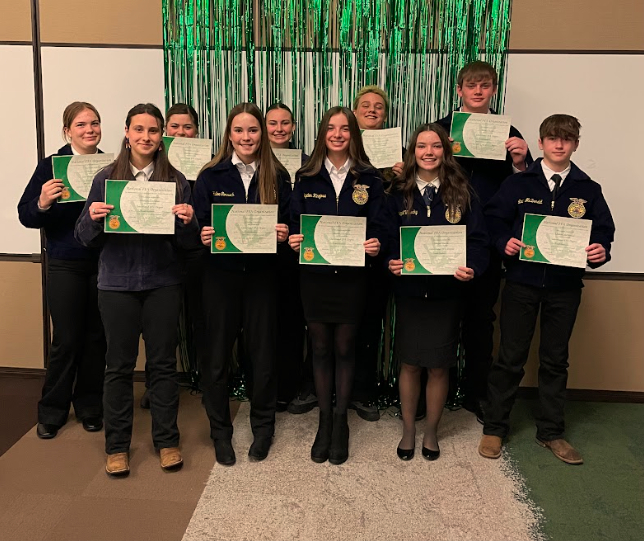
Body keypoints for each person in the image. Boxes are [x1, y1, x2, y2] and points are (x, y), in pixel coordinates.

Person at [479, 114, 615, 465]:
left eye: (567, 139)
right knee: (510, 357)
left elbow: (602, 231)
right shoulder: (519, 183)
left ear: (575, 145)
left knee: (555, 360)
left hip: (564, 287)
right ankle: (495, 427)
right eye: (553, 138)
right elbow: (493, 219)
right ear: (540, 143)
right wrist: (503, 241)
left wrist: (600, 250)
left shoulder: (588, 189)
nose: (559, 144)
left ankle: (551, 431)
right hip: (522, 283)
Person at [75, 103, 198, 476]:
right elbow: (82, 237)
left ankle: (167, 442)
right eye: (139, 130)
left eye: (154, 131)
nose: (146, 137)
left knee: (162, 366)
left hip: (162, 284)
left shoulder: (176, 181)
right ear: (127, 133)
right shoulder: (104, 180)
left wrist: (188, 223)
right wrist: (95, 220)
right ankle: (117, 447)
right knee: (118, 367)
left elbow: (190, 245)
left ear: (162, 138)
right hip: (116, 285)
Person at [193, 102, 291, 466]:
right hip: (220, 278)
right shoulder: (210, 176)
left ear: (261, 135)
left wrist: (285, 232)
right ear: (229, 135)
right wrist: (201, 233)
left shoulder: (278, 176)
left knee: (263, 356)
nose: (246, 137)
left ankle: (263, 429)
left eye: (253, 130)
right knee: (217, 357)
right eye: (239, 130)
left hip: (263, 278)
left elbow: (292, 223)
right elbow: (196, 225)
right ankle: (220, 432)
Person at [435, 60, 532, 422]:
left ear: (493, 90)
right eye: (471, 86)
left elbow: (528, 187)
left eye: (485, 85)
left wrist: (521, 162)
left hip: (488, 241)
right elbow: (417, 172)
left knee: (480, 321)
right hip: (440, 237)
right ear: (459, 90)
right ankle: (437, 392)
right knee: (440, 317)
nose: (478, 91)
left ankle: (476, 393)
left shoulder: (507, 132)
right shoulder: (440, 130)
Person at [385, 123, 489, 460]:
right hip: (411, 291)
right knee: (411, 363)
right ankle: (409, 430)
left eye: (436, 146)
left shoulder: (463, 192)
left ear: (446, 151)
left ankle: (431, 431)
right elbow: (385, 237)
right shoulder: (397, 191)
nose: (428, 152)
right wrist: (390, 260)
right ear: (412, 152)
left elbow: (479, 242)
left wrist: (472, 267)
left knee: (440, 366)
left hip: (448, 293)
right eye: (421, 146)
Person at [289, 106, 384, 465]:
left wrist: (375, 243)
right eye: (331, 128)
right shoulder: (307, 175)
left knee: (345, 346)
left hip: (352, 277)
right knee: (320, 346)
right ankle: (323, 420)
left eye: (345, 128)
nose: (338, 134)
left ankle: (341, 420)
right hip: (314, 277)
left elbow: (380, 225)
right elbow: (294, 220)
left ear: (353, 134)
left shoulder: (370, 178)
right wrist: (295, 239)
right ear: (322, 133)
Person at [18, 101, 106, 440]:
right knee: (66, 339)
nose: (90, 130)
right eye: (82, 125)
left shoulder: (110, 165)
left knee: (97, 338)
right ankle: (52, 410)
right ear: (67, 131)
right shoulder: (51, 167)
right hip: (66, 263)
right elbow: (26, 215)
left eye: (95, 123)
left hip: (103, 263)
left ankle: (90, 406)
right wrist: (42, 202)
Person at [138, 102, 204, 411]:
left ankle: (204, 378)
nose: (181, 132)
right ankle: (157, 385)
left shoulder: (208, 166)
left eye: (187, 126)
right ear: (165, 133)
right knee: (162, 329)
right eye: (174, 127)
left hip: (199, 252)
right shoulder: (152, 167)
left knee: (202, 317)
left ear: (197, 131)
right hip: (163, 256)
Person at [350, 85, 405, 422]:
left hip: (376, 252)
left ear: (385, 116)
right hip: (339, 253)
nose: (372, 110)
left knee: (371, 323)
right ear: (354, 113)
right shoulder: (337, 146)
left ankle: (364, 390)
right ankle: (327, 387)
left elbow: (399, 207)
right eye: (365, 105)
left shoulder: (396, 155)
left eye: (379, 107)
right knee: (334, 325)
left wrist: (401, 178)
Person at [265, 102, 315, 414]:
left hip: (296, 252)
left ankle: (291, 385)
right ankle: (268, 385)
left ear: (294, 128)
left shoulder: (308, 163)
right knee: (266, 323)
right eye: (273, 123)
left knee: (293, 322)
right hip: (262, 253)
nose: (279, 129)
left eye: (285, 123)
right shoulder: (252, 163)